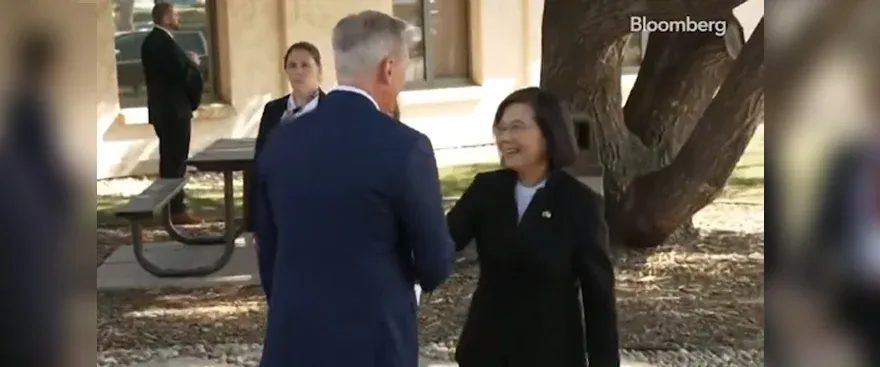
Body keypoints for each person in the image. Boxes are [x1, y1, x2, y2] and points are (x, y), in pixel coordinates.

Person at [254, 11, 453, 367]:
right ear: (388, 69)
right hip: (375, 340)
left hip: (293, 335)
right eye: (405, 70)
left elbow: (267, 249)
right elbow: (435, 261)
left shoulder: (281, 141)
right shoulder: (405, 147)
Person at [446, 87, 621, 367]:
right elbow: (440, 245)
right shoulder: (486, 190)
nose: (505, 138)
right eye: (500, 129)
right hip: (484, 352)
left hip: (551, 353)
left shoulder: (580, 203)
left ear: (549, 132)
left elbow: (598, 296)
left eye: (517, 127)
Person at [248, 41, 325, 234]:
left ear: (319, 69)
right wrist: (254, 222)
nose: (298, 71)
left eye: (305, 65)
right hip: (277, 210)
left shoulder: (332, 110)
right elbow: (259, 164)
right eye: (292, 65)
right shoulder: (273, 110)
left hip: (319, 211)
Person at [141, 2, 204, 224]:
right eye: (176, 14)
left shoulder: (156, 42)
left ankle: (171, 207)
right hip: (173, 112)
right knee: (175, 162)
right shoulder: (162, 43)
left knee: (171, 160)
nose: (179, 18)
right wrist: (193, 64)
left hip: (165, 111)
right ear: (166, 17)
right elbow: (180, 74)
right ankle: (176, 211)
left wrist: (185, 62)